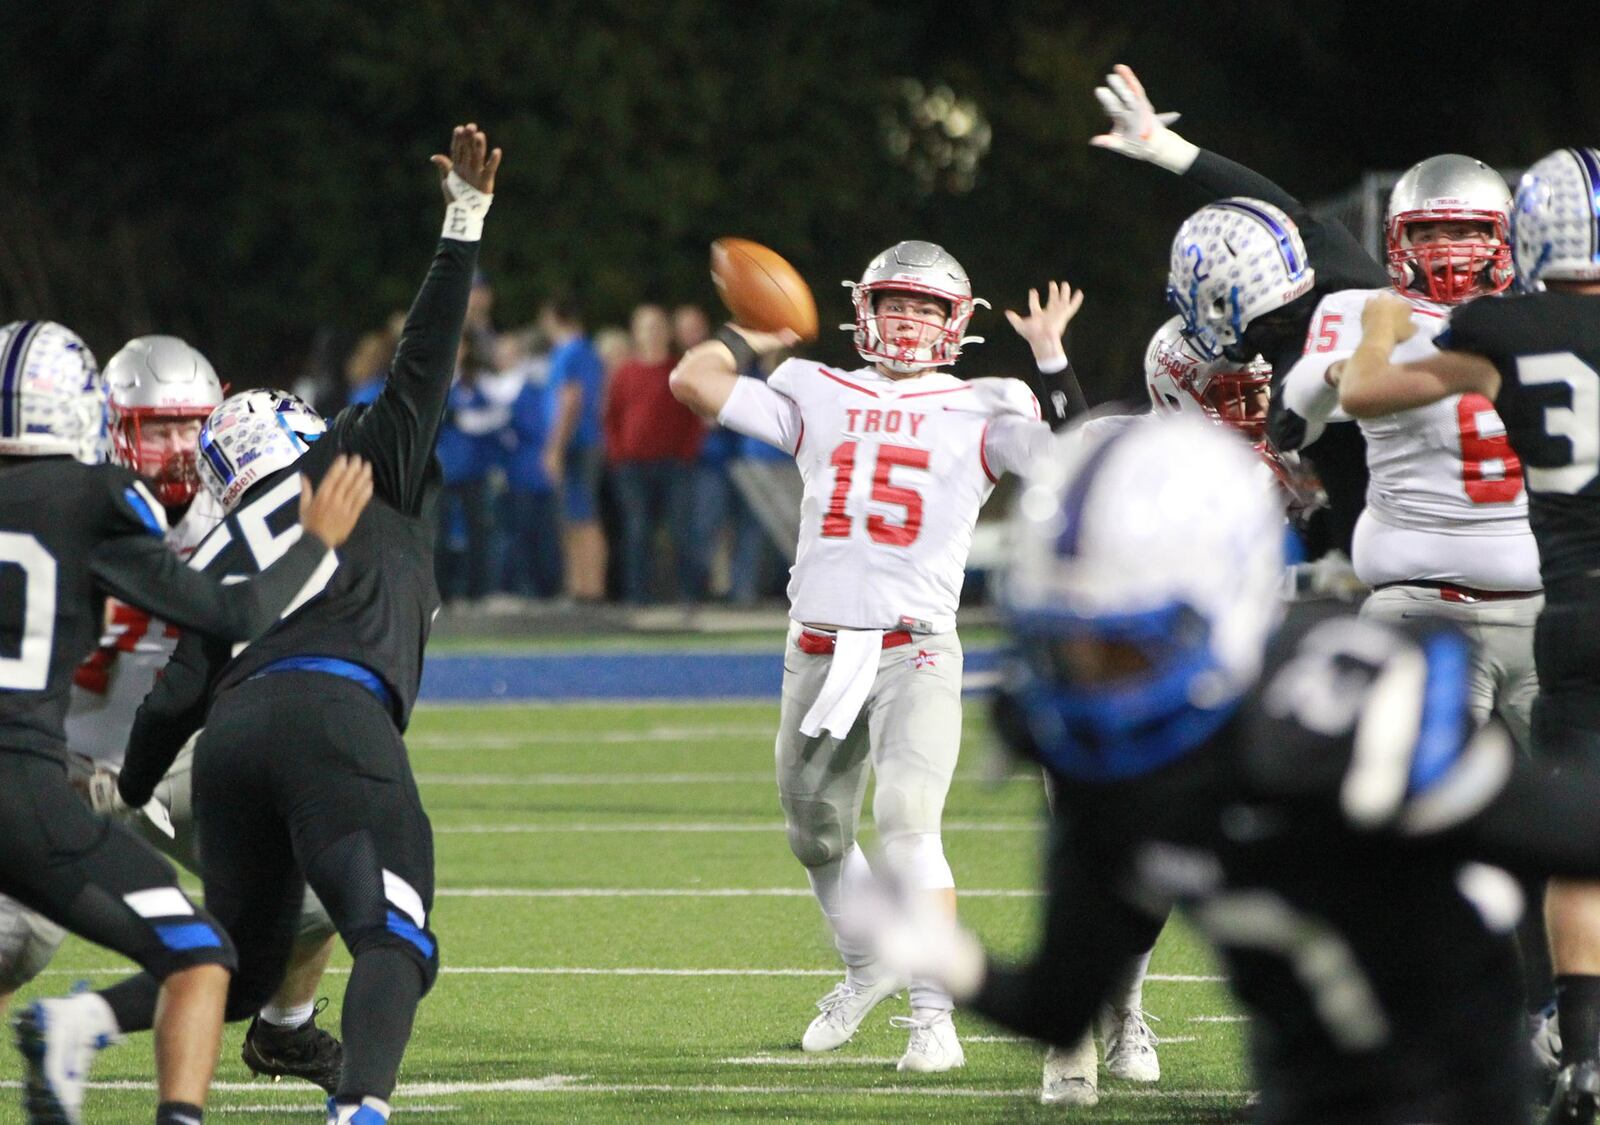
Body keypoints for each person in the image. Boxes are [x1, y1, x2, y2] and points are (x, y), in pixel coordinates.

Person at [878, 411, 1600, 1124]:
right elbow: (1062, 1003)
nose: (1095, 690)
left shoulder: (1341, 708)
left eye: (1127, 650)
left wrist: (1437, 810)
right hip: (1300, 1089)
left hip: (1450, 1093)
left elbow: (1572, 832)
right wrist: (946, 956)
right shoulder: (1101, 765)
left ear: (1228, 605)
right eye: (1069, 650)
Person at [31, 123, 500, 1125]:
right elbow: (424, 360)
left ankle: (81, 1025)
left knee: (231, 967)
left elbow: (178, 691)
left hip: (232, 739)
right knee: (398, 938)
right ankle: (360, 1108)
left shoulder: (220, 539)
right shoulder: (355, 459)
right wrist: (463, 224)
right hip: (332, 713)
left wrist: (137, 787)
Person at [671, 239, 1067, 1071]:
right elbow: (692, 381)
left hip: (914, 644)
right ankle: (867, 966)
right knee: (814, 834)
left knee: (905, 819)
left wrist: (1052, 364)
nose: (910, 320)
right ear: (864, 311)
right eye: (896, 303)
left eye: (927, 307)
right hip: (818, 642)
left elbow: (1066, 465)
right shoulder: (816, 387)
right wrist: (758, 333)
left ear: (957, 323)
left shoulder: (986, 402)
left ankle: (934, 1015)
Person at [0, 319, 371, 1125]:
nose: (174, 447)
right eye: (156, 427)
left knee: (316, 872)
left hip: (166, 766)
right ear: (111, 425)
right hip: (62, 766)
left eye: (190, 427)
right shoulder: (88, 496)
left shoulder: (228, 511)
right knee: (16, 942)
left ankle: (285, 1028)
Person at [1338, 146, 1600, 1123]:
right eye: (1432, 231)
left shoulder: (1496, 327)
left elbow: (1352, 394)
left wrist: (1368, 337)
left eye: (1467, 231)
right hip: (1482, 601)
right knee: (1561, 834)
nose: (1448, 252)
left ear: (1518, 237)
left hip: (1552, 605)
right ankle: (1569, 1045)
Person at [1092, 62, 1386, 558]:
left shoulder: (1295, 373)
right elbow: (1282, 206)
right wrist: (1169, 149)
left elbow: (1297, 427)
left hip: (1391, 529)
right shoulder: (1335, 265)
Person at [606, 304, 704, 603]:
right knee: (637, 532)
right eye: (646, 327)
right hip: (632, 467)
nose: (652, 333)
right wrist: (619, 454)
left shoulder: (679, 371)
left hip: (674, 466)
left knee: (682, 531)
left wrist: (686, 454)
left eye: (657, 326)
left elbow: (694, 417)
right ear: (636, 333)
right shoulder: (625, 373)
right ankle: (637, 597)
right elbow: (612, 416)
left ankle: (689, 596)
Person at [538, 294, 607, 601]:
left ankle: (588, 588)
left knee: (581, 517)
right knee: (578, 515)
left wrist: (555, 446)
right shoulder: (588, 351)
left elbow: (570, 399)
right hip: (587, 440)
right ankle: (583, 586)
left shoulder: (569, 353)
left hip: (576, 443)